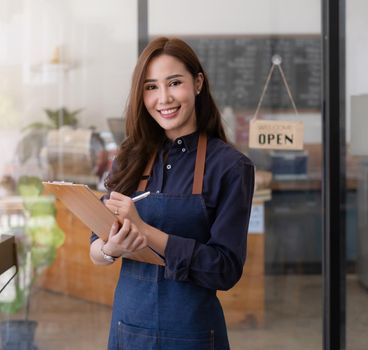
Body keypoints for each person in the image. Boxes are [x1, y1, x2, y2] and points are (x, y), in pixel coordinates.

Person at [89, 36, 255, 350]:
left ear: (198, 83)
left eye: (174, 82)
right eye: (151, 87)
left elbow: (225, 270)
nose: (164, 98)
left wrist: (145, 231)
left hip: (192, 334)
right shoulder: (129, 158)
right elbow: (96, 249)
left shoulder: (230, 167)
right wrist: (111, 248)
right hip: (128, 330)